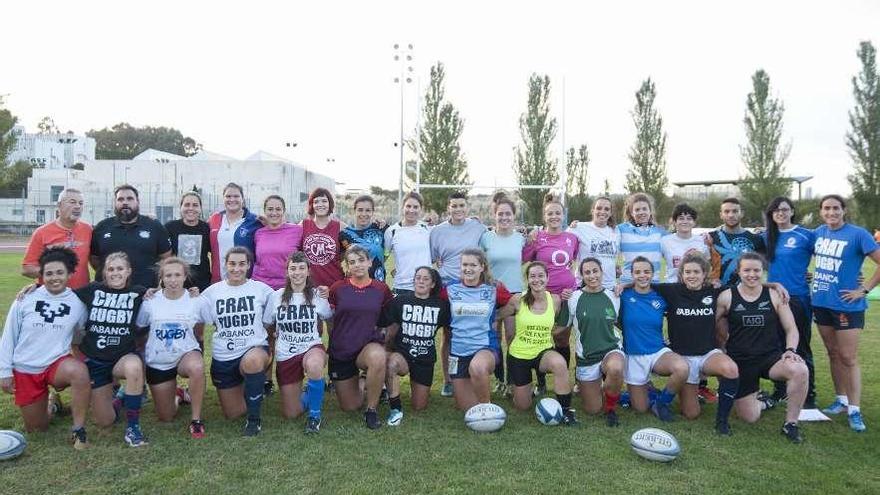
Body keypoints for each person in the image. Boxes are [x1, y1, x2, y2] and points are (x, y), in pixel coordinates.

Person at [0, 247, 91, 449]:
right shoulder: (26, 298)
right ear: (41, 275)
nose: (54, 278)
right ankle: (52, 404)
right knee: (37, 428)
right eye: (48, 273)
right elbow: (9, 335)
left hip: (55, 364)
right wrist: (4, 372)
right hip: (25, 367)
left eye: (60, 272)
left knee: (79, 371)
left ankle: (78, 429)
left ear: (70, 274)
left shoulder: (77, 303)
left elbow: (82, 333)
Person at [715, 253, 809, 443]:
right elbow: (710, 326)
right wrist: (720, 350)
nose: (752, 274)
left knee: (800, 369)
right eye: (747, 270)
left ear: (763, 271)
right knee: (749, 417)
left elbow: (791, 329)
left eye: (757, 270)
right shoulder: (726, 297)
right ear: (738, 272)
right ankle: (765, 402)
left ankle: (790, 424)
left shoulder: (775, 295)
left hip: (770, 358)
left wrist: (790, 351)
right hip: (740, 361)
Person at [650, 252, 741, 434]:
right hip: (683, 359)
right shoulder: (672, 291)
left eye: (696, 272)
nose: (692, 276)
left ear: (704, 273)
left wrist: (774, 284)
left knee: (730, 369)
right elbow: (642, 283)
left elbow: (747, 284)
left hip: (708, 354)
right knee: (691, 414)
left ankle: (722, 422)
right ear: (682, 274)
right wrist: (623, 285)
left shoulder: (714, 291)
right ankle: (662, 395)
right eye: (688, 272)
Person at [811, 195, 880, 432]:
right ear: (821, 212)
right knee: (832, 353)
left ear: (844, 210)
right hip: (821, 303)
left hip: (847, 306)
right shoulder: (819, 232)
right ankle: (840, 400)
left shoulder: (858, 234)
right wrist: (808, 276)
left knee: (848, 357)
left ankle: (855, 409)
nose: (831, 212)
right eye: (827, 208)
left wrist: (864, 289)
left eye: (836, 208)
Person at [75, 251, 149, 446]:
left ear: (128, 271)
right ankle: (122, 398)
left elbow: (166, 294)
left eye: (120, 269)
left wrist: (190, 292)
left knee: (134, 366)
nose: (115, 273)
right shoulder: (92, 290)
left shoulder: (139, 293)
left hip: (121, 358)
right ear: (104, 273)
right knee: (104, 421)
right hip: (96, 361)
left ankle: (133, 427)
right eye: (111, 269)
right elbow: (60, 296)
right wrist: (34, 288)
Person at [199, 247, 274, 436]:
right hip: (224, 356)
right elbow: (197, 316)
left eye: (242, 264)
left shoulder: (262, 290)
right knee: (234, 413)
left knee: (253, 362)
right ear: (225, 265)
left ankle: (254, 420)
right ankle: (249, 388)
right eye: (232, 264)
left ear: (249, 265)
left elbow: (277, 311)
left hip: (253, 349)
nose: (237, 269)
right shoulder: (211, 293)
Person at [135, 257, 206, 439]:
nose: (173, 280)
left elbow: (212, 319)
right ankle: (179, 395)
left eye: (177, 275)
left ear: (185, 277)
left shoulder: (195, 299)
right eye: (168, 275)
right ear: (162, 278)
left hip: (185, 354)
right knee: (166, 417)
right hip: (159, 361)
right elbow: (140, 326)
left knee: (197, 367)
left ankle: (196, 420)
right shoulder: (150, 301)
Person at [262, 252, 331, 434]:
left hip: (311, 347)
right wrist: (270, 343)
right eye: (293, 268)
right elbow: (267, 324)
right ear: (287, 272)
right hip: (286, 352)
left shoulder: (318, 296)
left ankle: (315, 416)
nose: (297, 272)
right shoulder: (276, 296)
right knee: (291, 413)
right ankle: (310, 393)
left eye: (302, 268)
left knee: (315, 365)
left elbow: (329, 319)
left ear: (308, 271)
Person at [327, 245, 393, 429]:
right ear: (347, 266)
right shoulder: (337, 288)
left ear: (370, 262)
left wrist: (384, 340)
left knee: (378, 356)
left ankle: (371, 410)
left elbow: (388, 320)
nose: (357, 265)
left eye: (361, 260)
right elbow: (330, 320)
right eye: (352, 262)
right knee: (350, 406)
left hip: (367, 346)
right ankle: (366, 382)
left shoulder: (382, 289)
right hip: (342, 350)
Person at [618, 257, 689, 422]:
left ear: (653, 273)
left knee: (682, 368)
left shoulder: (661, 296)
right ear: (631, 274)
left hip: (657, 351)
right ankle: (645, 391)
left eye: (646, 271)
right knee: (640, 409)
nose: (642, 275)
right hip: (634, 354)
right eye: (637, 272)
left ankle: (662, 403)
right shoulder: (623, 295)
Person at [506, 262, 578, 425]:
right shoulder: (518, 299)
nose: (537, 280)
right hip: (519, 354)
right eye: (532, 276)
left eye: (540, 276)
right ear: (527, 279)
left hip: (542, 351)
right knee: (522, 406)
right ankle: (523, 390)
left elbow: (562, 322)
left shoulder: (555, 300)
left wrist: (551, 332)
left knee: (559, 363)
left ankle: (566, 411)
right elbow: (499, 314)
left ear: (547, 278)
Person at [430, 192, 487, 396]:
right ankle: (448, 379)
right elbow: (434, 259)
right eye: (454, 206)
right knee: (449, 334)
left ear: (467, 207)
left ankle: (470, 374)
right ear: (448, 208)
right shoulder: (438, 231)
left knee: (469, 331)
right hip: (448, 287)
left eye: (461, 205)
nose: (458, 209)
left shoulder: (478, 227)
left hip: (472, 287)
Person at [522, 195, 579, 394]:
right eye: (550, 213)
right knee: (541, 337)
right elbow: (524, 259)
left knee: (563, 338)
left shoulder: (572, 238)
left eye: (557, 213)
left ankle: (562, 379)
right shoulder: (537, 238)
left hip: (567, 297)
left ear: (563, 215)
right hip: (542, 296)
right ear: (544, 216)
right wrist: (528, 238)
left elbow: (574, 262)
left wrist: (572, 285)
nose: (554, 216)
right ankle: (541, 382)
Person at [444, 249, 514, 411]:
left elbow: (515, 303)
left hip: (485, 348)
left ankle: (488, 409)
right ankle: (478, 400)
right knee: (467, 408)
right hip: (458, 353)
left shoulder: (493, 288)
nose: (468, 269)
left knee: (477, 367)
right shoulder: (449, 289)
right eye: (464, 264)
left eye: (473, 265)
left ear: (482, 267)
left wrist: (496, 316)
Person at [763, 196, 817, 407]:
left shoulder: (805, 235)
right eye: (776, 210)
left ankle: (809, 396)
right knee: (775, 345)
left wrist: (855, 276)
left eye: (785, 209)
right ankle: (780, 390)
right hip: (773, 298)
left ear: (792, 211)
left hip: (798, 298)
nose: (781, 213)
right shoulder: (767, 236)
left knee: (800, 345)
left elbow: (829, 258)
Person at [382, 266, 450, 425]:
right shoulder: (400, 301)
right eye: (418, 277)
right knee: (391, 364)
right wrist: (385, 349)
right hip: (403, 354)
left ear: (433, 284)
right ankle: (395, 408)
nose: (421, 281)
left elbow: (450, 330)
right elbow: (384, 327)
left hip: (425, 359)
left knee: (419, 406)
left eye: (426, 279)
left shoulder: (441, 306)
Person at [563, 258, 625, 426]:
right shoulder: (573, 298)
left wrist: (624, 285)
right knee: (593, 409)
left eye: (595, 271)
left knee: (616, 368)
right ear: (582, 275)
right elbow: (560, 327)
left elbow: (621, 322)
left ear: (601, 272)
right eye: (587, 272)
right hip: (587, 357)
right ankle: (604, 387)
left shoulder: (614, 295)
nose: (592, 276)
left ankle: (611, 406)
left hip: (611, 350)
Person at [479, 195, 525, 396]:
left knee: (513, 337)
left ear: (514, 216)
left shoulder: (521, 238)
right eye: (500, 214)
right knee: (494, 338)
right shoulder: (486, 237)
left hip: (514, 295)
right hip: (491, 294)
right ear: (494, 215)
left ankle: (513, 381)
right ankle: (500, 380)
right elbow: (479, 263)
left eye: (508, 213)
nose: (504, 217)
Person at [90, 184, 172, 288]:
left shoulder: (154, 226)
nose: (125, 202)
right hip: (108, 294)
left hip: (145, 293)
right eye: (120, 199)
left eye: (130, 199)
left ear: (137, 202)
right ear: (115, 203)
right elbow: (94, 260)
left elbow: (166, 258)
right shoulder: (102, 227)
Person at [22, 188, 92, 289]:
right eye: (72, 202)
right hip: (52, 295)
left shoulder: (88, 230)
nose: (77, 206)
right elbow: (27, 268)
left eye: (81, 203)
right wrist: (54, 274)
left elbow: (95, 259)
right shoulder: (41, 232)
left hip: (81, 294)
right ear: (59, 205)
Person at [208, 183, 262, 283]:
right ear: (223, 199)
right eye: (228, 196)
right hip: (218, 282)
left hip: (245, 282)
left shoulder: (255, 221)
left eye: (236, 196)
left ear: (243, 199)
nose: (232, 199)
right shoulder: (214, 219)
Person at [709, 197, 765, 286]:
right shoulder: (710, 237)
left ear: (741, 213)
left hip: (746, 293)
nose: (731, 215)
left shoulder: (756, 239)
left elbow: (764, 267)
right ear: (721, 215)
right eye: (726, 211)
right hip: (717, 291)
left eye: (735, 211)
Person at [384, 191, 432, 296]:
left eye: (415, 207)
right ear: (402, 207)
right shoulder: (391, 231)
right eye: (408, 206)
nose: (411, 210)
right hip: (402, 288)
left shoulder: (428, 229)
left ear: (421, 209)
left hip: (425, 288)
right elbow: (384, 256)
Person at [252, 195, 303, 290]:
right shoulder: (258, 233)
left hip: (287, 287)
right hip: (260, 286)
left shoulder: (297, 230)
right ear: (265, 211)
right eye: (270, 209)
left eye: (278, 209)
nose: (274, 213)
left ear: (284, 211)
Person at [568, 196, 620, 290]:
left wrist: (615, 267)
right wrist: (538, 231)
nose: (602, 212)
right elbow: (560, 238)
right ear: (592, 210)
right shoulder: (579, 227)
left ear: (611, 213)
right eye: (599, 208)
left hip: (609, 287)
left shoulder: (616, 231)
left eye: (607, 209)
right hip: (585, 286)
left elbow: (612, 258)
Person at [165, 191, 212, 292]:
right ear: (181, 207)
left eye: (195, 205)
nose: (191, 208)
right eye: (187, 205)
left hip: (202, 285)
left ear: (200, 208)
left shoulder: (207, 228)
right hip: (176, 284)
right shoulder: (170, 228)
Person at [301, 187, 346, 288]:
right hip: (309, 286)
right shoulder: (303, 225)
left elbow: (350, 251)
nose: (320, 204)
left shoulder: (341, 227)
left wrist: (379, 226)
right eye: (316, 201)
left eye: (324, 201)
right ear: (312, 205)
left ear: (330, 203)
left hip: (334, 284)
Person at [617, 193, 667, 283]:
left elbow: (678, 240)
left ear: (650, 211)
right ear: (632, 213)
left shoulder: (660, 232)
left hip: (653, 285)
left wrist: (701, 237)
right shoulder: (621, 229)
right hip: (628, 285)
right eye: (637, 210)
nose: (641, 212)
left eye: (644, 209)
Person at [340, 195, 387, 282]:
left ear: (373, 212)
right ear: (354, 211)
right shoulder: (344, 234)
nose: (364, 214)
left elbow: (387, 253)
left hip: (378, 285)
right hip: (354, 286)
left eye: (368, 210)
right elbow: (339, 260)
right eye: (360, 210)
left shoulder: (381, 229)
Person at [660, 203, 709, 283]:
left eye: (689, 218)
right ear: (675, 222)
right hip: (673, 287)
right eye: (681, 218)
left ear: (694, 222)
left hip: (695, 288)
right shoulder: (665, 241)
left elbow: (708, 266)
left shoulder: (702, 241)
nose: (685, 222)